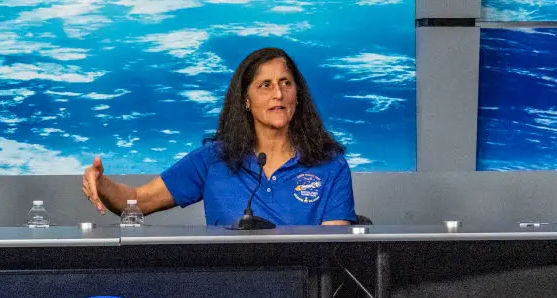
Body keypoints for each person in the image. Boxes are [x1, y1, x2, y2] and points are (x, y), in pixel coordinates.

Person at [82, 47, 355, 227]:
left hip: (303, 291)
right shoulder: (214, 159)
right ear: (246, 100)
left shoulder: (330, 164)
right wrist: (102, 184)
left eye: (286, 83)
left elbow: (330, 251)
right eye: (265, 85)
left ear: (298, 94)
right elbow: (137, 202)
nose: (278, 94)